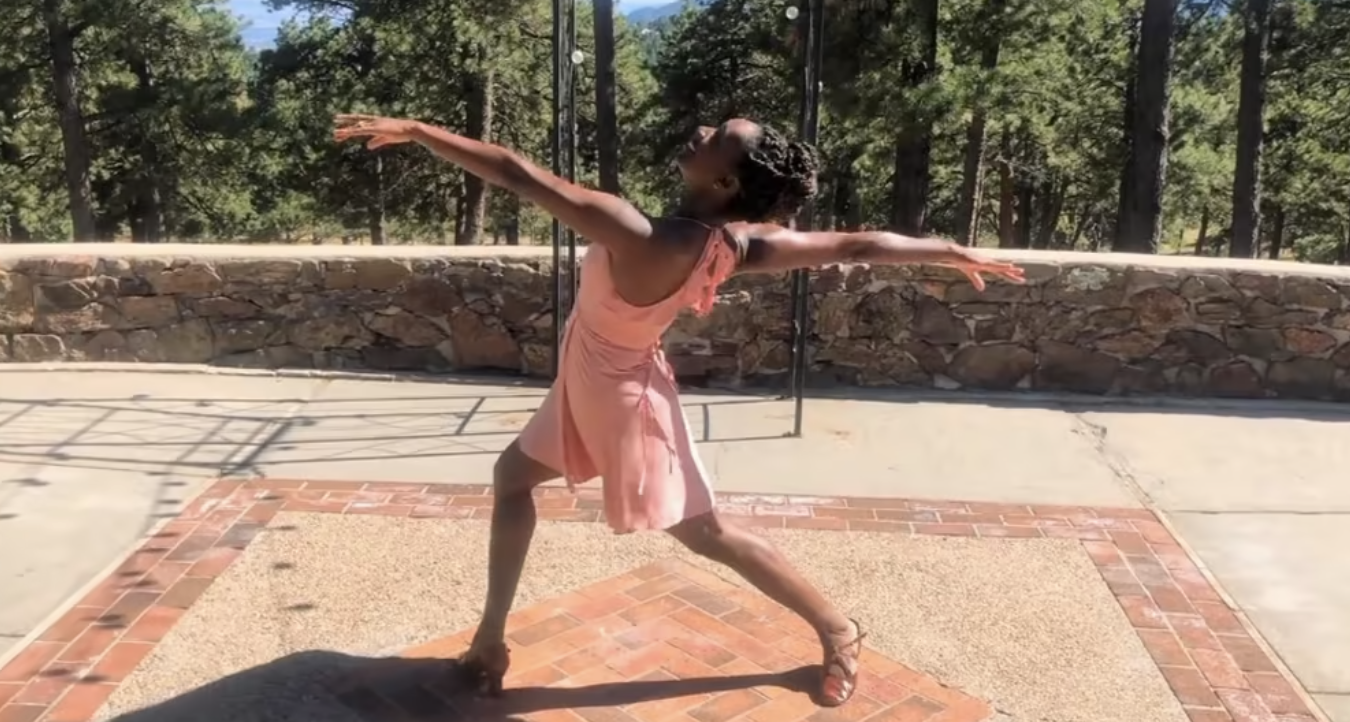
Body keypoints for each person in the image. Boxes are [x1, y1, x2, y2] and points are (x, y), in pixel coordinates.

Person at [333, 114, 1026, 707]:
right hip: (593, 381)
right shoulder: (733, 245)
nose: (701, 131)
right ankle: (490, 643)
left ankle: (837, 627)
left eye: (718, 137)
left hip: (625, 401)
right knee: (512, 480)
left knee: (707, 533)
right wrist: (943, 250)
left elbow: (519, 175)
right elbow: (855, 244)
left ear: (724, 183)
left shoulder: (643, 235)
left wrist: (421, 133)